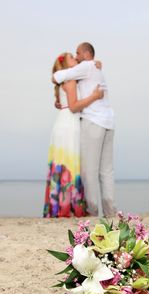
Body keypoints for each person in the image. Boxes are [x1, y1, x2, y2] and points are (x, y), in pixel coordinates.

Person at [53, 42, 116, 217]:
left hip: (93, 122)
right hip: (109, 122)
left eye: (78, 53)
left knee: (89, 171)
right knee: (107, 171)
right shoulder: (94, 69)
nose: (77, 56)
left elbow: (58, 76)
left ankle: (93, 212)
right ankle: (110, 212)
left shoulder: (86, 67)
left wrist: (56, 75)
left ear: (87, 54)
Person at [43, 52, 104, 218]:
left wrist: (95, 64)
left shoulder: (68, 79)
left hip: (63, 121)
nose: (75, 58)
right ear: (65, 65)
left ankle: (59, 206)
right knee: (71, 162)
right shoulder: (70, 81)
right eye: (72, 57)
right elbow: (74, 107)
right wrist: (94, 96)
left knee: (64, 162)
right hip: (69, 123)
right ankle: (67, 208)